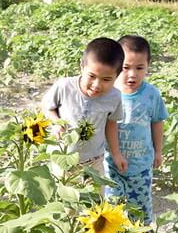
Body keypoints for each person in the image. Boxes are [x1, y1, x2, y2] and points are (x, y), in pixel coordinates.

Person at [104, 35, 168, 224]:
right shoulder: (109, 92)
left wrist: (158, 151)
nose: (132, 74)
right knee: (111, 209)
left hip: (141, 166)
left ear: (148, 66)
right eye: (125, 68)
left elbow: (157, 122)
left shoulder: (151, 94)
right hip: (111, 165)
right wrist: (114, 154)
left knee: (141, 211)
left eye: (139, 68)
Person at [42, 37, 128, 176]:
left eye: (106, 79)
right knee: (63, 194)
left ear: (117, 76)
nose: (97, 85)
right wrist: (56, 123)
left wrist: (116, 154)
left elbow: (111, 124)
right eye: (92, 76)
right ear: (82, 66)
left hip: (94, 160)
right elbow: (47, 107)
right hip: (62, 155)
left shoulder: (114, 97)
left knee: (95, 196)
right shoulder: (64, 86)